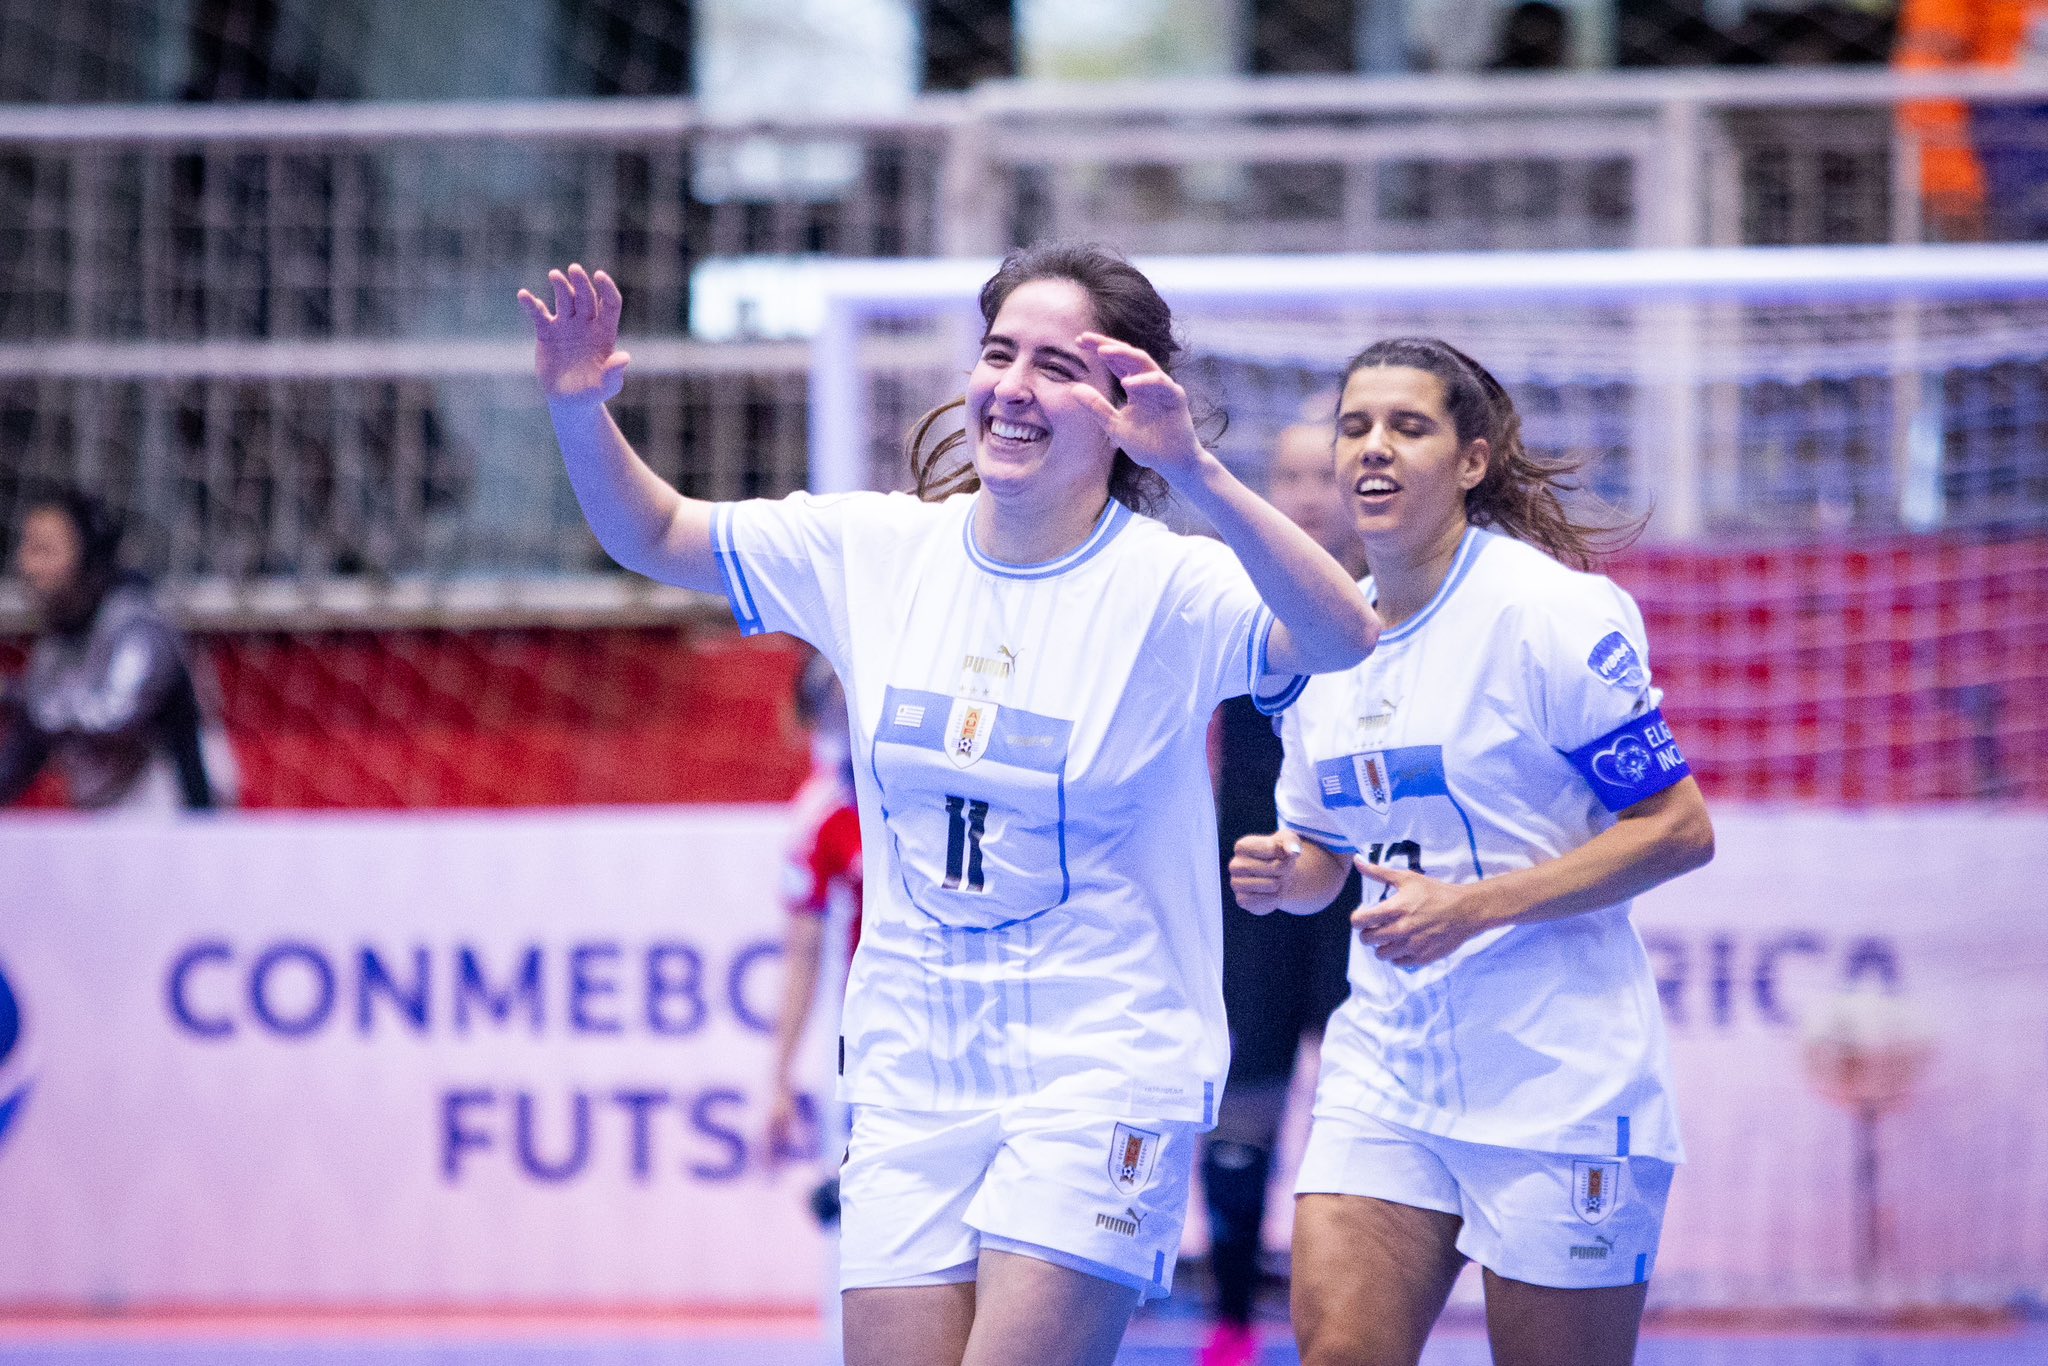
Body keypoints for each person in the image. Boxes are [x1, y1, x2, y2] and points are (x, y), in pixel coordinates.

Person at [519, 247, 1379, 1366]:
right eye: (996, 353)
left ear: (1123, 410)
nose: (1012, 385)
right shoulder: (873, 549)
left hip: (1099, 1059)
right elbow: (655, 534)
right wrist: (579, 410)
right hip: (911, 1061)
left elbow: (1340, 637)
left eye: (1058, 366)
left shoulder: (1170, 584)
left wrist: (1201, 472)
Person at [1229, 338, 1715, 1366]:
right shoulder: (1322, 639)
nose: (1372, 447)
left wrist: (1473, 906)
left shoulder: (1549, 614)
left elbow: (1676, 829)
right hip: (1386, 1077)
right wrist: (1288, 873)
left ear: (1469, 462)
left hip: (1557, 1081)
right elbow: (1324, 847)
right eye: (1354, 425)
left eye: (1407, 426)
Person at [1197, 420, 1366, 1366]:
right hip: (1252, 879)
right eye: (1288, 474)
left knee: (1359, 1107)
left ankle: (1351, 1308)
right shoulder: (1231, 590)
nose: (1306, 494)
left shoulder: (1392, 602)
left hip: (1361, 879)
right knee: (1245, 1100)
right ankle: (1228, 1315)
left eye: (1322, 476)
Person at [0, 487, 222, 813]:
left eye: (45, 550)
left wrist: (14, 695)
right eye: (27, 549)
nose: (27, 565)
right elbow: (29, 743)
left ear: (87, 556)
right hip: (105, 815)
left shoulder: (137, 623)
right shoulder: (59, 638)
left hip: (172, 809)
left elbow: (114, 714)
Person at [765, 649, 865, 1364]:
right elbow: (802, 952)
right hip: (872, 1043)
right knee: (862, 1223)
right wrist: (778, 1075)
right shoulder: (824, 812)